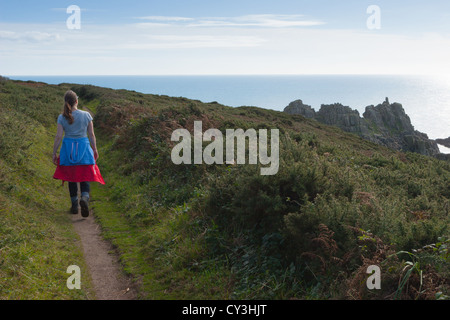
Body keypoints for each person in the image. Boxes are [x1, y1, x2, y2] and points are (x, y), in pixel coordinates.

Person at [52, 90, 105, 217]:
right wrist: (95, 149)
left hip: (68, 150)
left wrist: (54, 153)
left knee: (71, 178)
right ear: (76, 101)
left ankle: (74, 204)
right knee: (85, 176)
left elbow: (59, 136)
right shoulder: (86, 115)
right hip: (84, 149)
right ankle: (85, 198)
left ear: (66, 102)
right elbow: (91, 135)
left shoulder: (62, 117)